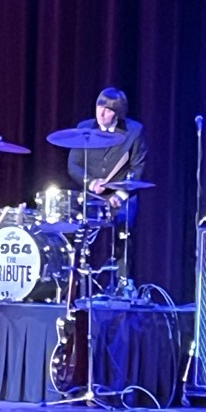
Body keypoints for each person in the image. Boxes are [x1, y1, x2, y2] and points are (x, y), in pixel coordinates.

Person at [66, 87, 147, 287]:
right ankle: (75, 283)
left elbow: (138, 168)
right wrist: (91, 183)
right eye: (99, 107)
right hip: (92, 193)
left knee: (122, 229)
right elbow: (73, 165)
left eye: (108, 110)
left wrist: (118, 195)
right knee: (74, 227)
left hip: (121, 195)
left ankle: (122, 284)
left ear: (118, 114)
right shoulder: (85, 128)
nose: (101, 114)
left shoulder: (134, 131)